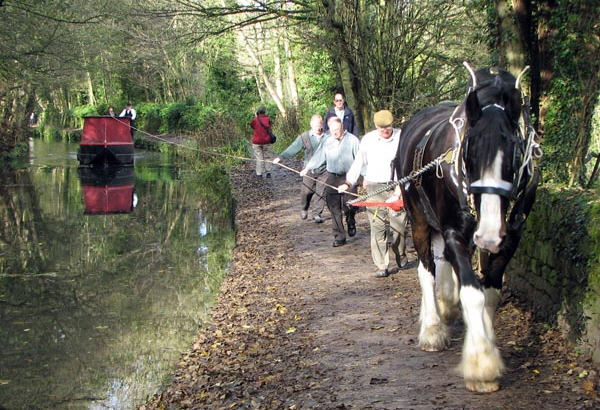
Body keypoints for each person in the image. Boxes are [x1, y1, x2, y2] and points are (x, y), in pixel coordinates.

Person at [338, 110, 409, 278]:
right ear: (376, 126)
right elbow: (358, 163)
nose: (385, 130)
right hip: (375, 188)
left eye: (388, 127)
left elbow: (408, 165)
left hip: (397, 188)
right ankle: (381, 265)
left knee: (399, 227)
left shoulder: (402, 137)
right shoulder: (368, 140)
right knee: (377, 227)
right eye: (381, 127)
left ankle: (401, 253)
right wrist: (348, 182)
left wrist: (400, 190)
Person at [301, 117, 359, 247]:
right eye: (332, 130)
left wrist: (364, 176)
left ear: (342, 128)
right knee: (333, 207)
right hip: (332, 176)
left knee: (350, 205)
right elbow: (319, 157)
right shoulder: (327, 141)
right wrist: (308, 168)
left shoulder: (352, 140)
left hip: (349, 176)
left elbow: (360, 159)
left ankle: (351, 220)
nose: (335, 133)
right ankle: (339, 236)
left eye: (337, 130)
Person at [273, 114, 328, 222]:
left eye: (320, 124)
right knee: (306, 191)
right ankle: (304, 207)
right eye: (316, 124)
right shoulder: (304, 137)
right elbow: (293, 148)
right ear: (311, 124)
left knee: (321, 191)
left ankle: (317, 213)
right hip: (308, 170)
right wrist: (281, 157)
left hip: (324, 169)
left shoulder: (327, 137)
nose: (318, 127)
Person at [249, 106, 273, 178]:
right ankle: (268, 172)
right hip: (266, 141)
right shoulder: (268, 119)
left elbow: (252, 126)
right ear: (264, 112)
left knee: (259, 158)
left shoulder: (255, 120)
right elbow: (269, 127)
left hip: (256, 142)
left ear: (258, 112)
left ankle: (259, 173)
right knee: (267, 157)